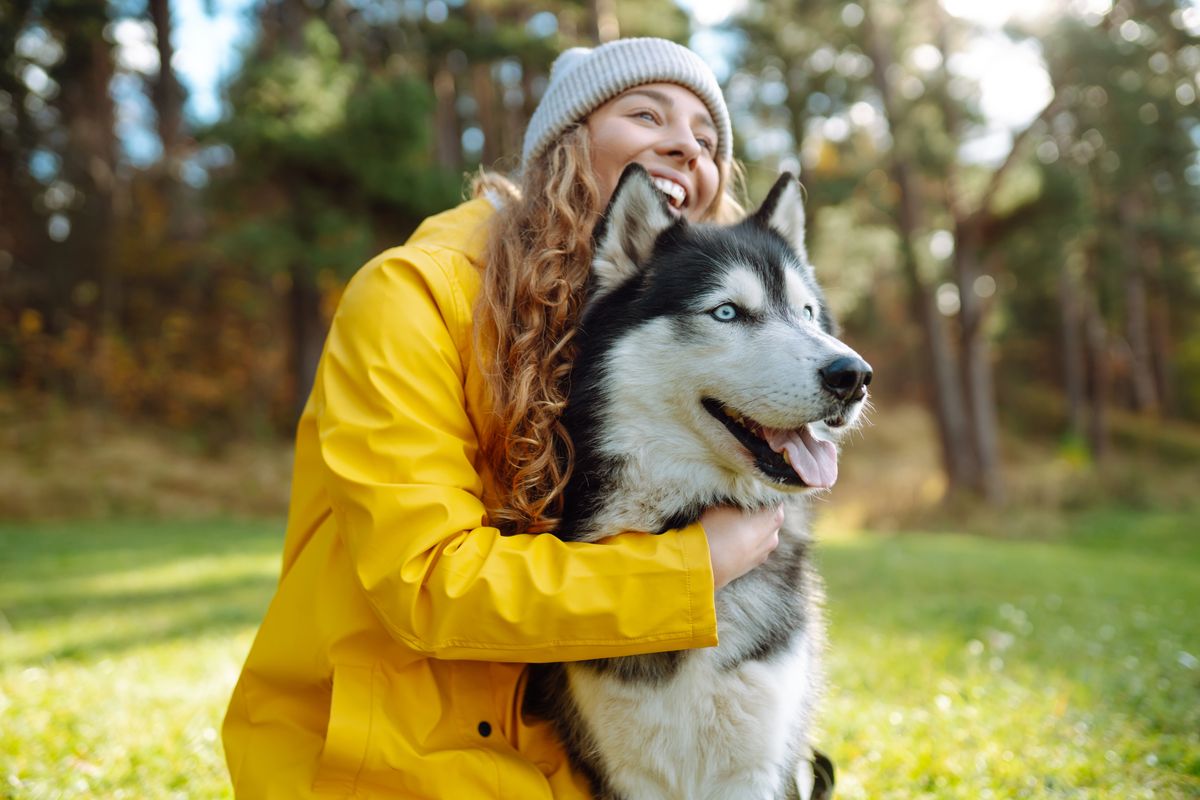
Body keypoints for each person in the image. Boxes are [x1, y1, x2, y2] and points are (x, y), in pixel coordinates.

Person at [222, 37, 786, 799]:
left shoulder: (639, 339)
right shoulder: (409, 297)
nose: (687, 145)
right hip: (394, 763)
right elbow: (428, 581)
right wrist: (695, 569)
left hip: (571, 765)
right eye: (646, 112)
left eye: (708, 139)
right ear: (563, 146)